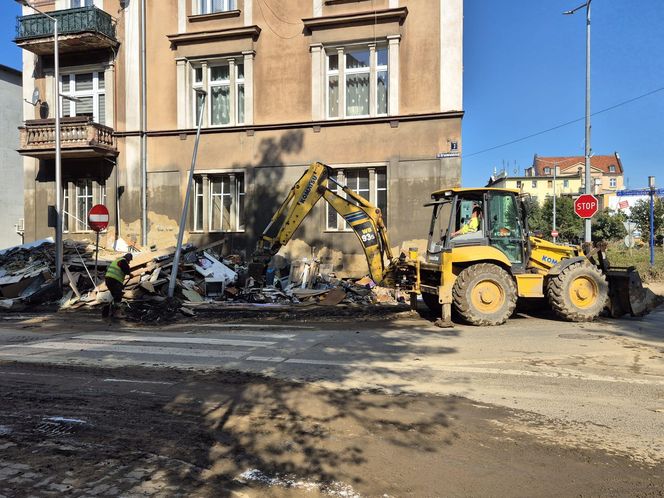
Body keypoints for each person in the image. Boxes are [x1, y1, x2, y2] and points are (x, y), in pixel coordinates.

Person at [102, 253, 133, 319]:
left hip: (108, 280)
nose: (129, 262)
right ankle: (117, 313)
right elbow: (126, 270)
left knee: (115, 296)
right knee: (118, 296)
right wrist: (130, 274)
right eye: (129, 261)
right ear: (128, 259)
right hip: (114, 280)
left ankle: (113, 312)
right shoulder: (123, 261)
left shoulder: (116, 261)